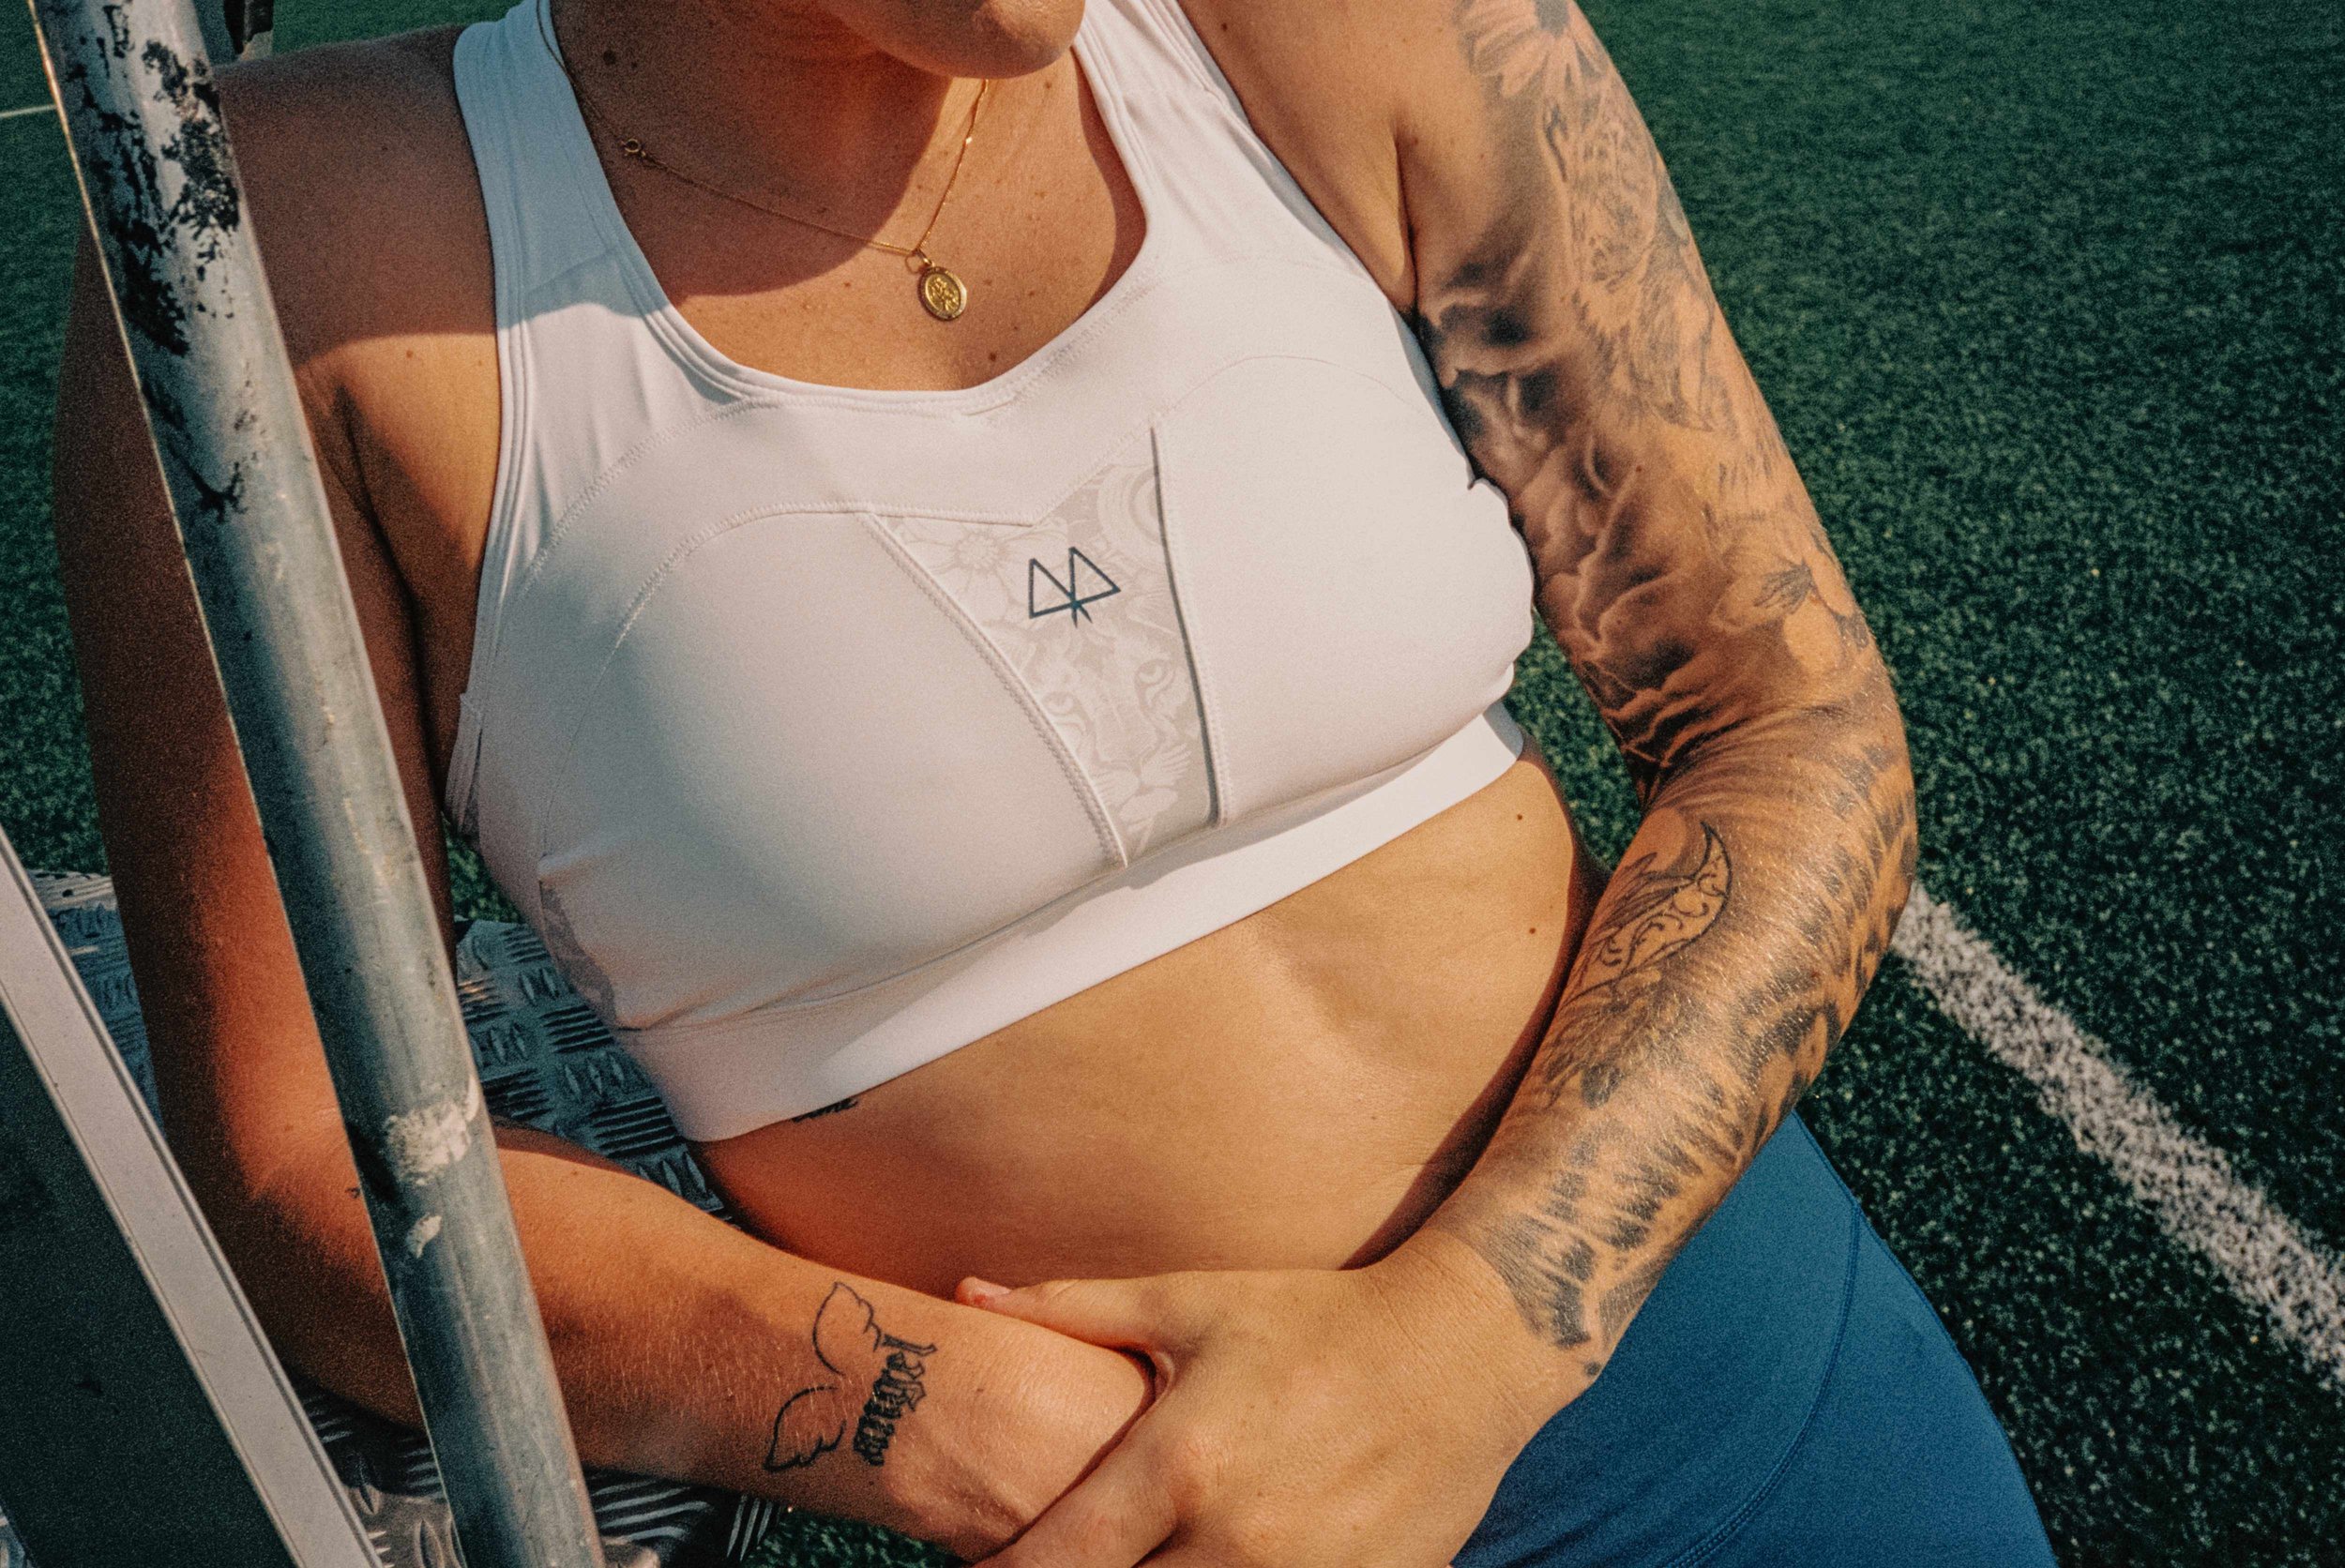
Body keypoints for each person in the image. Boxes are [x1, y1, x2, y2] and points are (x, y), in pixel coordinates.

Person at [49, 0, 2056, 1561]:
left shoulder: (1335, 36)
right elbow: (310, 1158)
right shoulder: (277, 248)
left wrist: (1461, 1341)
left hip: (1732, 1366)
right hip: (1111, 1514)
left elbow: (1782, 724)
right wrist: (965, 1428)